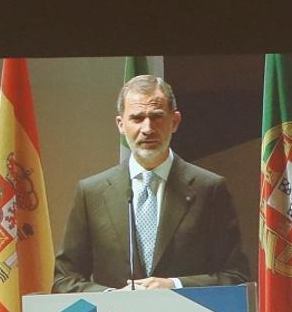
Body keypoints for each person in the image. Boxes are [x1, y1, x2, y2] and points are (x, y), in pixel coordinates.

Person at [52, 75, 250, 293]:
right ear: (121, 124)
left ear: (174, 121)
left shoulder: (209, 189)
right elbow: (64, 280)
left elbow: (235, 276)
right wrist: (111, 298)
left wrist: (174, 285)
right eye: (137, 118)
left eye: (156, 117)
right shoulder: (91, 192)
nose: (147, 128)